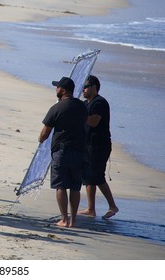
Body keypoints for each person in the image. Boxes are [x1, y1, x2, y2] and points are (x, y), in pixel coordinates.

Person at [39, 77, 87, 228]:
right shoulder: (82, 106)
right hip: (79, 150)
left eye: (58, 87)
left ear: (63, 90)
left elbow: (45, 133)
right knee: (74, 186)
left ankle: (64, 219)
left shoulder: (57, 108)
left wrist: (40, 139)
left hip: (62, 150)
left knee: (61, 186)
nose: (56, 89)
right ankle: (73, 221)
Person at [79, 75, 119, 219]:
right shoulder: (86, 103)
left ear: (94, 87)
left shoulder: (99, 103)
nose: (83, 89)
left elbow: (94, 122)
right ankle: (91, 209)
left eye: (86, 86)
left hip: (99, 145)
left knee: (96, 175)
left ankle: (113, 206)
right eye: (83, 86)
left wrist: (79, 115)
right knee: (88, 176)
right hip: (88, 144)